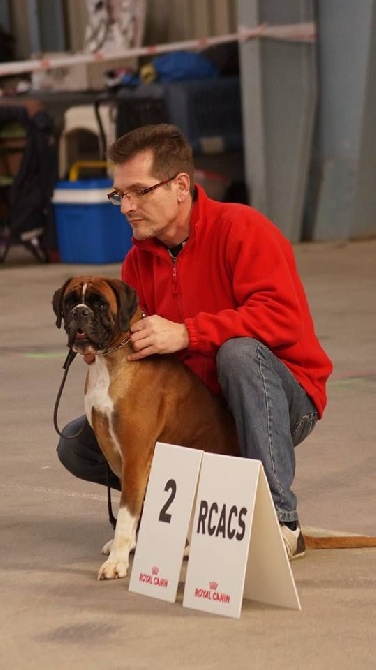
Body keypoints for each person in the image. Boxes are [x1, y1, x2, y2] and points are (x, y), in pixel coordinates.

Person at [57, 123, 332, 560]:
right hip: (195, 413)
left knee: (238, 353)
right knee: (77, 443)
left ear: (180, 185)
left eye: (139, 192)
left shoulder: (244, 229)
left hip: (277, 403)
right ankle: (175, 515)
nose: (126, 207)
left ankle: (281, 524)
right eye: (119, 195)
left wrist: (188, 332)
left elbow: (283, 318)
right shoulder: (136, 263)